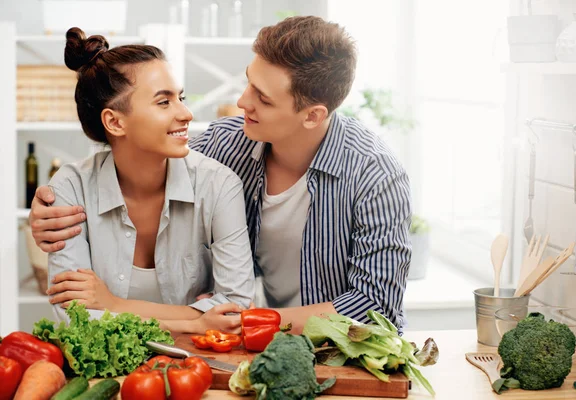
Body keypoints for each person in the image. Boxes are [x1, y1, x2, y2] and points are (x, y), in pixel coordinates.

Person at [30, 16, 412, 334]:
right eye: (249, 81)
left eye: (263, 98)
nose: (243, 101)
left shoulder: (375, 174)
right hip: (256, 345)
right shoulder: (226, 147)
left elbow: (374, 307)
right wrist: (46, 207)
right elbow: (142, 153)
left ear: (312, 115)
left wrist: (238, 320)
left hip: (346, 352)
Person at [41, 27, 254, 334]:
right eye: (163, 102)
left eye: (180, 98)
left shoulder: (218, 184)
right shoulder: (70, 189)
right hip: (104, 370)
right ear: (115, 122)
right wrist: (193, 322)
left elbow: (235, 308)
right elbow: (75, 318)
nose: (187, 113)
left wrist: (113, 304)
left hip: (197, 368)